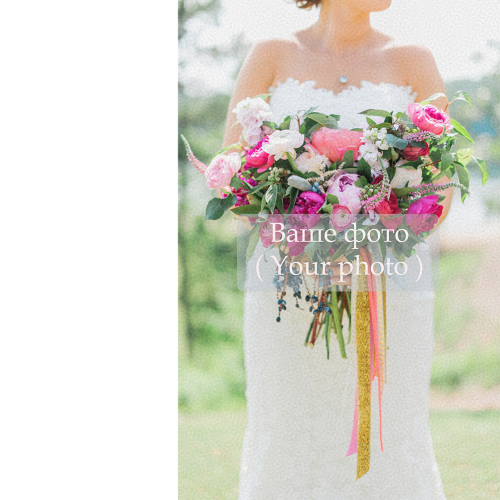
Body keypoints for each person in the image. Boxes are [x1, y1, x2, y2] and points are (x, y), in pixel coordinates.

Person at [223, 1, 452, 498]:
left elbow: (441, 193)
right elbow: (233, 180)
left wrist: (367, 241)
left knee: (392, 423)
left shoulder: (414, 60)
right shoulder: (271, 55)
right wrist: (307, 244)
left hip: (388, 288)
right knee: (287, 422)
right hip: (289, 286)